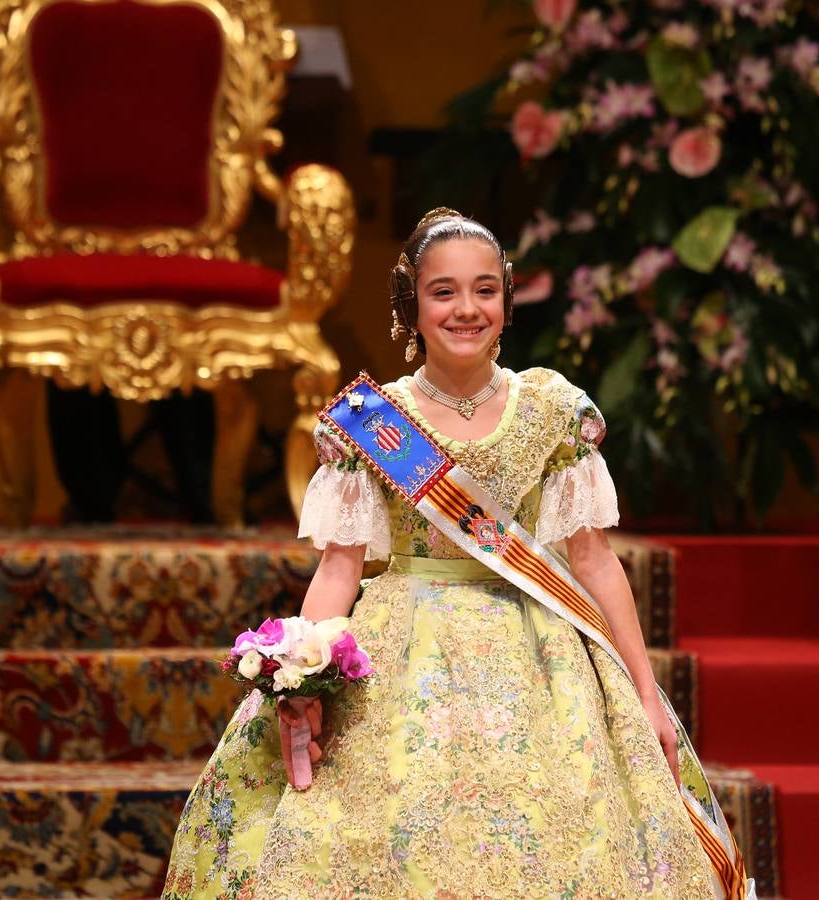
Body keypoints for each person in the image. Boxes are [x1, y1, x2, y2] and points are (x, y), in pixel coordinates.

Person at [164, 209, 748, 898]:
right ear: (411, 306)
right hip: (401, 650)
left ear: (505, 299)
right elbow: (339, 570)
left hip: (542, 654)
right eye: (443, 292)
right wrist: (306, 676)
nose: (466, 309)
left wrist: (646, 696)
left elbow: (592, 561)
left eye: (484, 290)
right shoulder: (372, 421)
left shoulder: (552, 410)